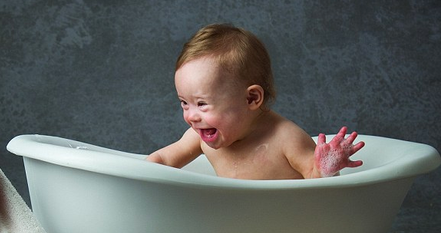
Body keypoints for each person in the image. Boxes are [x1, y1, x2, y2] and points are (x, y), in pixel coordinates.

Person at [147, 23, 364, 179]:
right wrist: (136, 177)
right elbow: (164, 161)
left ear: (251, 98)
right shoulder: (198, 138)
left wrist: (326, 168)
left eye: (202, 104)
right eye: (184, 103)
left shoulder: (286, 139)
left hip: (287, 227)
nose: (191, 116)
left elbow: (316, 180)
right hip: (235, 227)